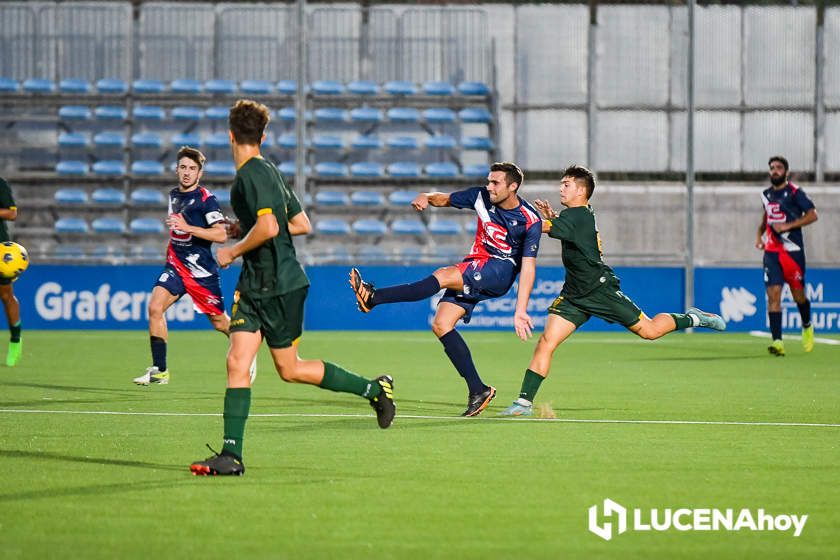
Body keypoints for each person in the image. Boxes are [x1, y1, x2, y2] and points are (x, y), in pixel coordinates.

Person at [190, 99, 395, 476]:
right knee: (237, 361)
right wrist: (242, 226)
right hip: (255, 286)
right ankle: (231, 456)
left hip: (280, 286)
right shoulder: (268, 171)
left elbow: (271, 228)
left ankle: (374, 390)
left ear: (230, 135)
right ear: (263, 136)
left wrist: (232, 250)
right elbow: (299, 223)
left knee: (289, 369)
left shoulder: (252, 175)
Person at [500, 165, 726, 417]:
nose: (560, 188)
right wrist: (553, 217)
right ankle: (523, 403)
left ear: (581, 191)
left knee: (650, 331)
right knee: (546, 342)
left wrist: (508, 214)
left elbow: (538, 227)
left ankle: (694, 317)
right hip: (574, 295)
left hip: (600, 290)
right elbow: (564, 229)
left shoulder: (578, 217)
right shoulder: (577, 214)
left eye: (566, 185)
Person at [349, 161, 542, 417]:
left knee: (442, 275)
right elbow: (445, 199)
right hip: (476, 264)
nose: (489, 186)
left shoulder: (530, 219)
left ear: (513, 187)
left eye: (495, 182)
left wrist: (520, 309)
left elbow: (528, 267)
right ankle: (478, 389)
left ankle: (374, 297)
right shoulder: (480, 196)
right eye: (488, 181)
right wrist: (426, 197)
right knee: (441, 324)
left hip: (499, 271)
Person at [133, 147, 243, 385]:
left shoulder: (206, 200)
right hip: (175, 264)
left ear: (200, 173)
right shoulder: (173, 195)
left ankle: (246, 349)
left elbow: (220, 235)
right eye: (183, 167)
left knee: (219, 322)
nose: (186, 172)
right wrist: (169, 254)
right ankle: (159, 371)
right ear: (176, 170)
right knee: (154, 308)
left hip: (200, 271)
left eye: (192, 168)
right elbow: (175, 233)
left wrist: (189, 227)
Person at [755, 155, 818, 356]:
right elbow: (767, 217)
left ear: (786, 172)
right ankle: (777, 342)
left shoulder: (794, 193)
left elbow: (812, 214)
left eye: (779, 167)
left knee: (798, 295)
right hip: (772, 252)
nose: (775, 170)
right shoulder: (765, 195)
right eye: (772, 167)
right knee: (773, 295)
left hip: (792, 252)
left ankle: (806, 324)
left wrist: (788, 226)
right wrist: (759, 235)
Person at [0, 177, 22, 366]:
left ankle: (16, 339)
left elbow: (12, 214)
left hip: (0, 251)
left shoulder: (0, 184)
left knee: (6, 295)